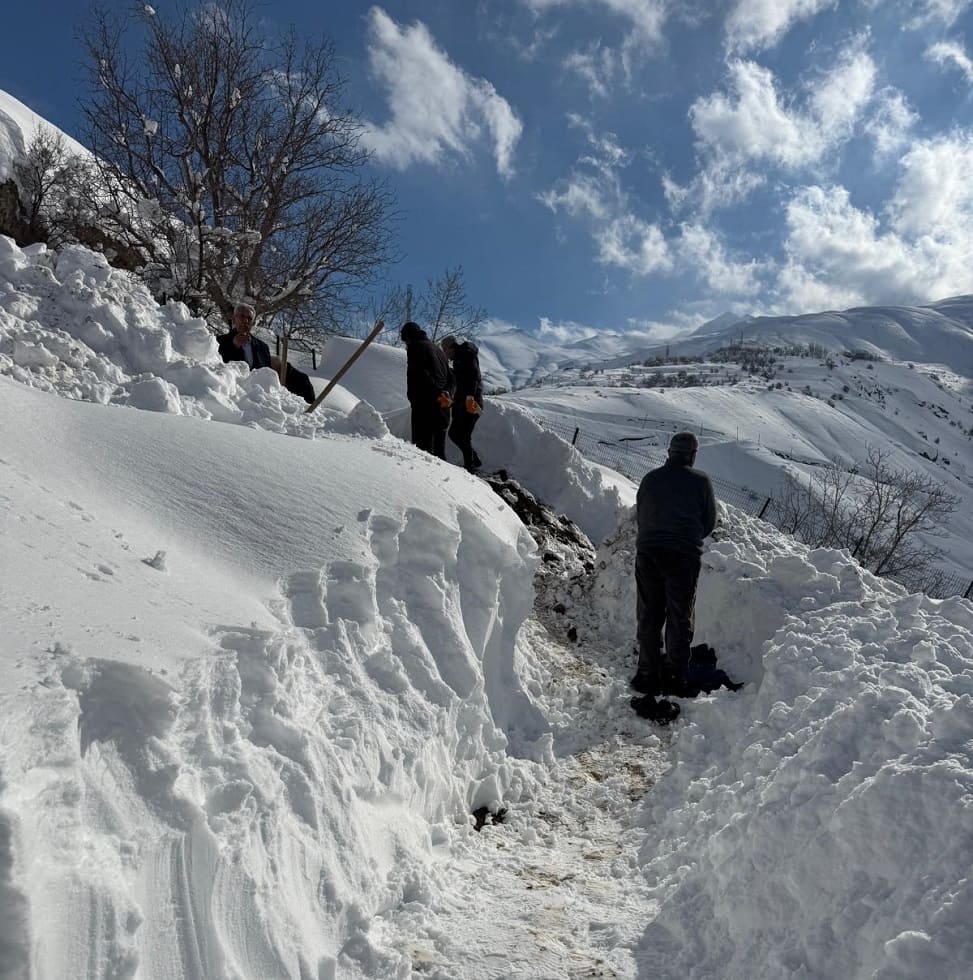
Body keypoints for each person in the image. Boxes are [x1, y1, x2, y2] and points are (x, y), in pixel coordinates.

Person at [632, 431, 717, 701]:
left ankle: (647, 673)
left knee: (650, 613)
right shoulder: (701, 482)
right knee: (679, 616)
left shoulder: (650, 479)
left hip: (648, 553)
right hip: (683, 557)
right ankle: (674, 677)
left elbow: (641, 514)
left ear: (669, 453)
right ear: (693, 455)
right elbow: (708, 523)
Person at [217, 303, 316, 404]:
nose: (245, 321)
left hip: (259, 400)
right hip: (233, 399)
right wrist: (233, 347)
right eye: (242, 316)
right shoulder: (219, 342)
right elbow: (218, 368)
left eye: (249, 318)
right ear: (234, 319)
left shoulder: (262, 347)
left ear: (253, 323)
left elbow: (267, 374)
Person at [400, 321, 452, 459]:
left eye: (406, 341)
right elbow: (451, 378)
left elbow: (420, 374)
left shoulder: (416, 346)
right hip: (443, 407)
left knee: (423, 452)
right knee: (439, 452)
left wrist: (434, 393)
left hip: (425, 406)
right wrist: (446, 394)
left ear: (409, 337)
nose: (406, 344)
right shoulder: (439, 351)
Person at [440, 334, 483, 472]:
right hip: (462, 402)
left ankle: (470, 467)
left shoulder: (466, 355)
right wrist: (452, 401)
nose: (445, 354)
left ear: (451, 348)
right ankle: (474, 461)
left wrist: (470, 398)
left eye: (445, 350)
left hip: (472, 403)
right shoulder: (459, 359)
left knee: (462, 435)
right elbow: (460, 381)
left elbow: (473, 377)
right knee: (455, 434)